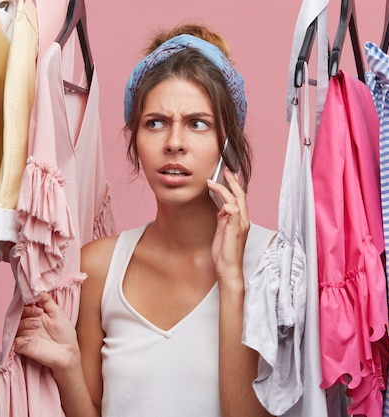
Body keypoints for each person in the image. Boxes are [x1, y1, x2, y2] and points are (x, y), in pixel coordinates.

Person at [14, 22, 276, 417]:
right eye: (155, 123)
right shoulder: (98, 268)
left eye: (197, 123)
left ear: (228, 144)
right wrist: (68, 364)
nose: (174, 142)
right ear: (135, 138)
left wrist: (233, 281)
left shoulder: (275, 262)